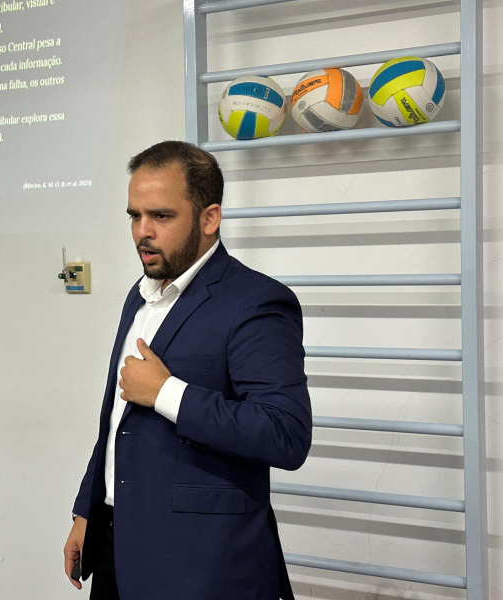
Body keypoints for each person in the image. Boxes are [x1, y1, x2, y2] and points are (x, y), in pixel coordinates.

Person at [63, 140, 312, 600]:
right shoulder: (140, 295)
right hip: (117, 546)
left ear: (209, 218)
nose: (143, 232)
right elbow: (118, 424)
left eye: (161, 216)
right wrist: (88, 510)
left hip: (203, 567)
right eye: (135, 216)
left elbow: (285, 434)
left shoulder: (255, 302)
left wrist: (166, 393)